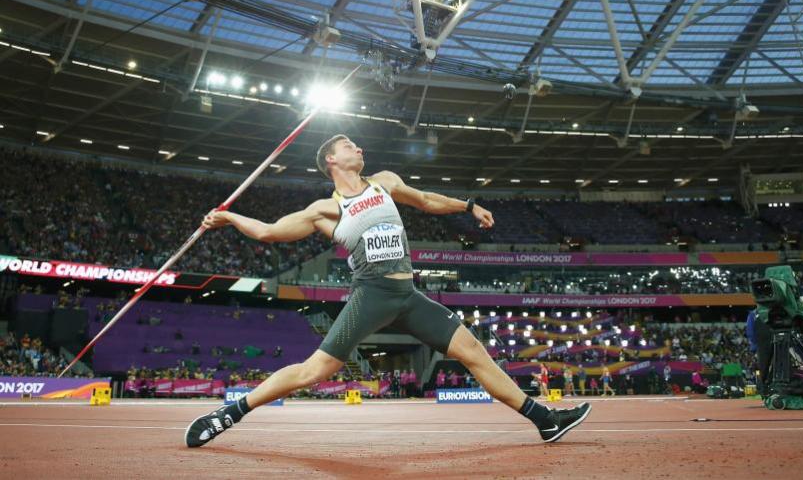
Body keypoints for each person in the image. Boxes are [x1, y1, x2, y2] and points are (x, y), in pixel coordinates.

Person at [185, 135, 591, 447]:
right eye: (348, 145)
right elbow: (270, 232)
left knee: (473, 351)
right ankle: (230, 413)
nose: (358, 147)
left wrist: (467, 206)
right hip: (371, 295)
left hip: (409, 297)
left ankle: (544, 420)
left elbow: (427, 200)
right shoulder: (325, 210)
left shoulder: (384, 182)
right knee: (315, 371)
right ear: (331, 159)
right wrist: (229, 217)